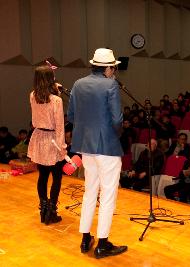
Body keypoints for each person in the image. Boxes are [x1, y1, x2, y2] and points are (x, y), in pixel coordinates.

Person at [67, 48, 127, 258]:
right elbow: (117, 119)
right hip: (107, 146)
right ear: (109, 68)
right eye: (114, 69)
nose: (114, 73)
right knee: (108, 194)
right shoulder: (110, 85)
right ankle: (102, 243)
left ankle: (85, 239)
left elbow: (71, 115)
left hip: (85, 145)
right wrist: (114, 134)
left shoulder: (78, 83)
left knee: (90, 191)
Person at [27, 65, 66, 225]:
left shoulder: (32, 95)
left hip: (38, 137)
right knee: (56, 177)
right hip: (52, 139)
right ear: (51, 79)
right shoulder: (56, 100)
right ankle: (52, 212)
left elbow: (43, 95)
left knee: (42, 176)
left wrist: (54, 89)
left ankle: (43, 211)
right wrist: (62, 147)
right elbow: (60, 125)